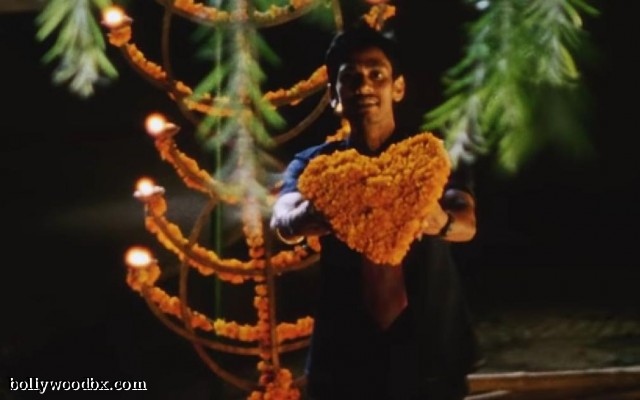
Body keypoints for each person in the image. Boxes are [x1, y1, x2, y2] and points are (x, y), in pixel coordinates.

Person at [270, 22, 482, 400]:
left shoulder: (431, 157)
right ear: (334, 95)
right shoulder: (316, 166)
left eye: (376, 75)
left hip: (430, 341)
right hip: (345, 347)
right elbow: (282, 220)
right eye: (350, 77)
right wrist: (315, 213)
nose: (364, 86)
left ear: (397, 87)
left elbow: (467, 224)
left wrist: (439, 221)